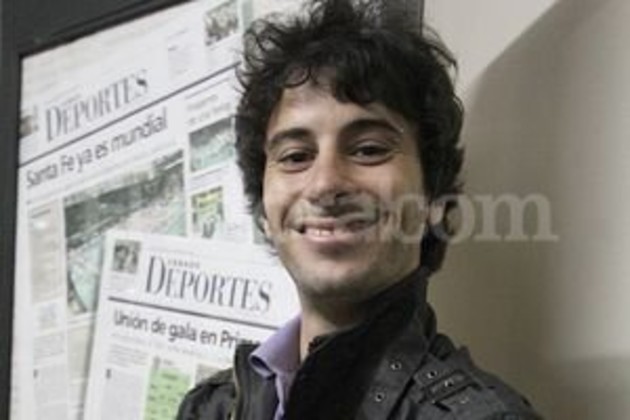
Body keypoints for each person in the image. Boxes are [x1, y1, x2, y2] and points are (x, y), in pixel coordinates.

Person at [177, 0, 543, 419]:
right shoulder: (210, 407)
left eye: (369, 149)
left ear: (433, 200)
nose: (325, 184)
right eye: (295, 156)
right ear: (263, 210)